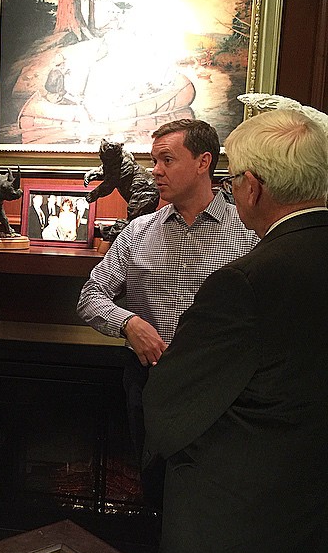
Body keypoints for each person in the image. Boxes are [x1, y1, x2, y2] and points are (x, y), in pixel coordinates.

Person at [142, 109, 328, 553]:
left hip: (240, 541)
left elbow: (169, 404)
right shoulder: (143, 231)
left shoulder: (245, 282)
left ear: (253, 187)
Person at [77, 118, 259, 504]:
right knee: (154, 494)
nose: (155, 171)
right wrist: (128, 322)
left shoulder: (250, 234)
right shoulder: (137, 232)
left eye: (167, 160)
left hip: (222, 388)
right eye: (154, 161)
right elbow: (90, 296)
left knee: (215, 501)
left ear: (203, 162)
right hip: (148, 383)